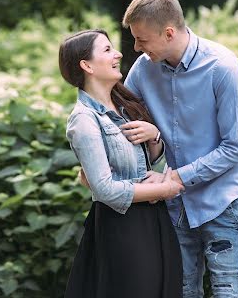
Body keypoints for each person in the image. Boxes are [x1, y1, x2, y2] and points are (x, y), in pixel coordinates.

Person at [121, 0, 238, 298]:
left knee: (227, 293)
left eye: (142, 39)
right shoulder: (144, 69)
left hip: (224, 199)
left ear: (169, 33)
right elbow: (122, 118)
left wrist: (176, 177)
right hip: (176, 204)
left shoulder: (222, 67)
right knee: (179, 292)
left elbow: (235, 148)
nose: (136, 47)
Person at [58, 28, 183, 298]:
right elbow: (104, 189)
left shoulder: (124, 104)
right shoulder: (84, 119)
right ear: (86, 65)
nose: (118, 54)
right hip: (122, 228)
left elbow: (141, 164)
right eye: (107, 50)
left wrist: (155, 136)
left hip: (153, 220)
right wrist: (165, 189)